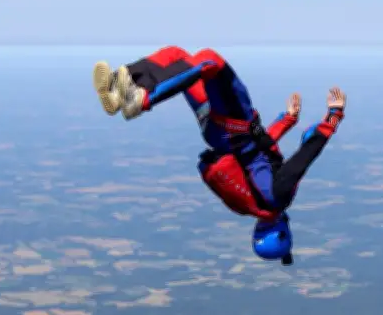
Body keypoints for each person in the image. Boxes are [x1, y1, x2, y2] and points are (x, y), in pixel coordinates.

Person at [92, 46, 346, 266]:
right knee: (178, 57)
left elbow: (305, 154)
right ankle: (119, 87)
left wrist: (333, 117)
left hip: (234, 126)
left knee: (210, 61)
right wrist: (288, 119)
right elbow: (259, 152)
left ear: (284, 230)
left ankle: (142, 98)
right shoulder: (248, 204)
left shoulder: (279, 196)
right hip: (216, 131)